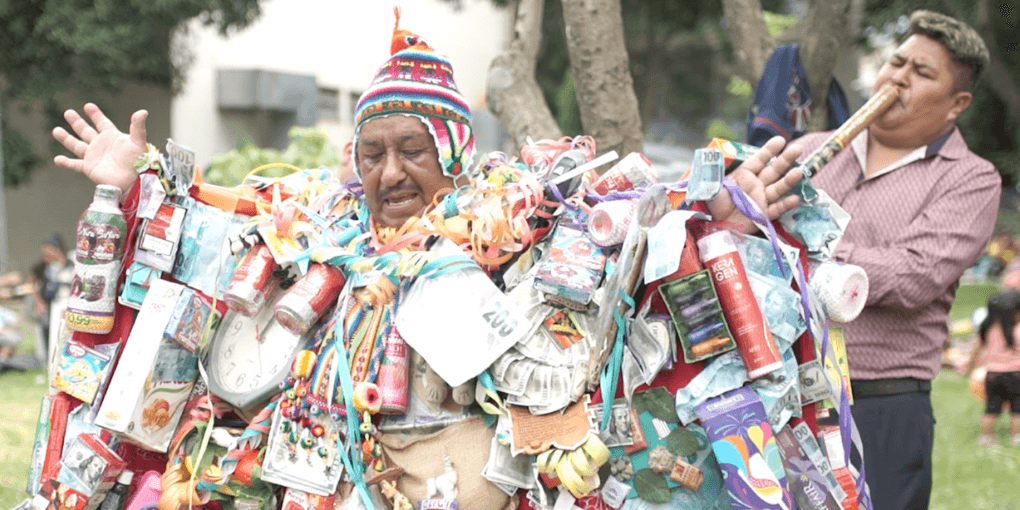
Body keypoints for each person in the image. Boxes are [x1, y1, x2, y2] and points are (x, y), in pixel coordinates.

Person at [50, 14, 805, 510]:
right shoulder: (323, 222)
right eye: (372, 154)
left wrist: (714, 209)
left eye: (413, 150)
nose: (390, 173)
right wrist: (136, 177)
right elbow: (217, 219)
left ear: (453, 153)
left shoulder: (510, 215)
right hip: (332, 472)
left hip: (463, 473)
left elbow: (627, 241)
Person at [772, 11, 1001, 510]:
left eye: (922, 73)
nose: (898, 77)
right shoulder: (808, 152)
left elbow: (914, 275)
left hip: (881, 405)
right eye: (897, 62)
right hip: (782, 393)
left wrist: (799, 243)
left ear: (956, 103)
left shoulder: (971, 179)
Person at [966, 292, 1020, 446]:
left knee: (991, 409)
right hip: (1016, 375)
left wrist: (968, 369)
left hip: (992, 376)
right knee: (1017, 409)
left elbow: (975, 352)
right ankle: (1016, 437)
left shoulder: (987, 330)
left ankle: (986, 438)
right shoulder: (1017, 330)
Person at [30, 233, 73, 365]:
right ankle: (47, 357)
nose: (46, 256)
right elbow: (32, 281)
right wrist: (39, 302)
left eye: (49, 252)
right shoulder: (42, 267)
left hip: (65, 304)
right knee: (45, 322)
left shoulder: (69, 264)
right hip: (48, 305)